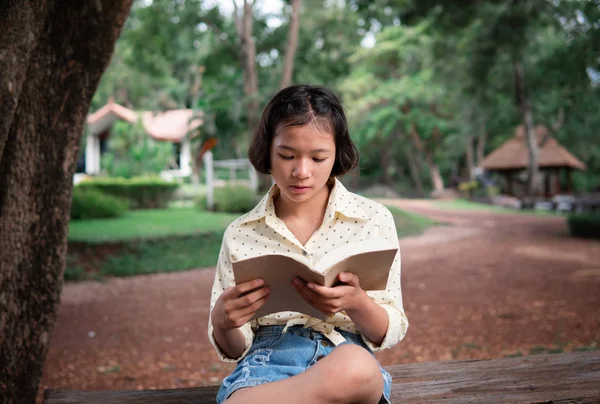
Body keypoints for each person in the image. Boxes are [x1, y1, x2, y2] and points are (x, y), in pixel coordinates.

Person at [208, 84, 409, 404]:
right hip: (268, 362)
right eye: (287, 155)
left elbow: (390, 329)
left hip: (345, 358)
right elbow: (237, 348)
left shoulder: (373, 219)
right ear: (267, 152)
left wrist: (356, 302)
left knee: (357, 367)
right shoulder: (241, 233)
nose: (301, 172)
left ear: (336, 155)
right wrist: (222, 323)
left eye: (318, 157)